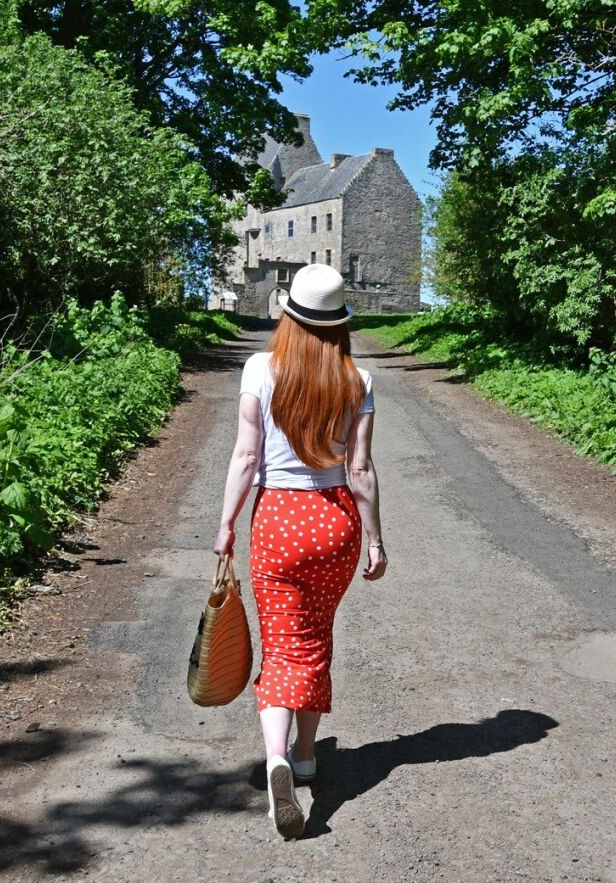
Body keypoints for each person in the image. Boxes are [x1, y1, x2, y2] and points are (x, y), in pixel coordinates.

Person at [213, 263, 387, 839]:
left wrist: (226, 524)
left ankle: (278, 759)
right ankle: (307, 755)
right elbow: (359, 469)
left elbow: (244, 457)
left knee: (282, 642)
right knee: (314, 636)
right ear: (340, 324)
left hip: (279, 521)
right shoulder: (358, 380)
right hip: (334, 522)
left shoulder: (261, 368)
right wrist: (377, 538)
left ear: (288, 315)